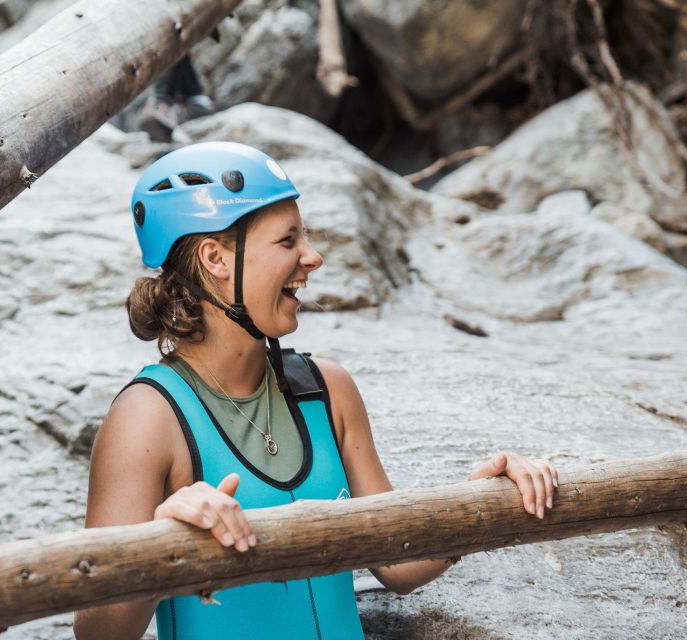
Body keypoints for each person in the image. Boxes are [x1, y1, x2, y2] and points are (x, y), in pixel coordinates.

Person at [73, 142, 559, 640]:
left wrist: (482, 500)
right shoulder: (147, 417)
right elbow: (97, 634)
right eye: (288, 241)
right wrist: (161, 542)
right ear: (215, 258)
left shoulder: (327, 390)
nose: (313, 257)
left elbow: (397, 562)